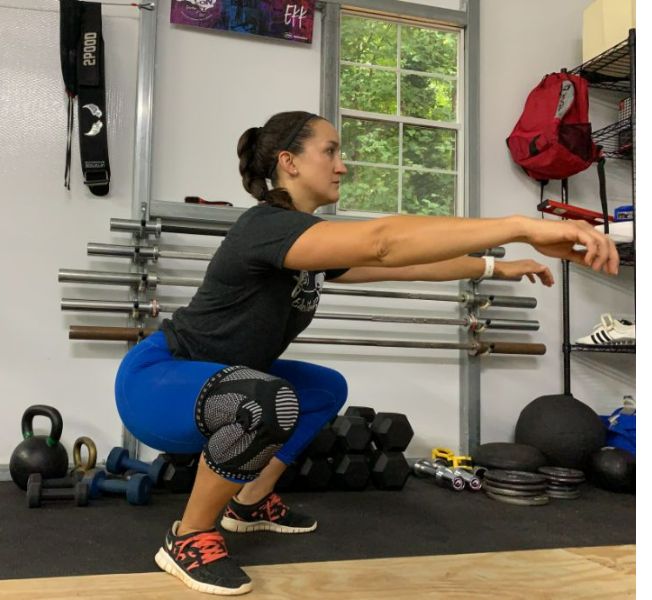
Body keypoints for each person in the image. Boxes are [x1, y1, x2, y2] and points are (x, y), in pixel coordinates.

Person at [113, 110, 618, 595]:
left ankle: (248, 502)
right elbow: (382, 242)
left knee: (320, 389)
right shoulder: (264, 226)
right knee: (265, 399)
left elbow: (402, 266)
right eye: (329, 151)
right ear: (288, 162)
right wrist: (521, 225)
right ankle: (189, 537)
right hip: (159, 382)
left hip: (215, 382)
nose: (342, 165)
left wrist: (492, 268)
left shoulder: (304, 243)